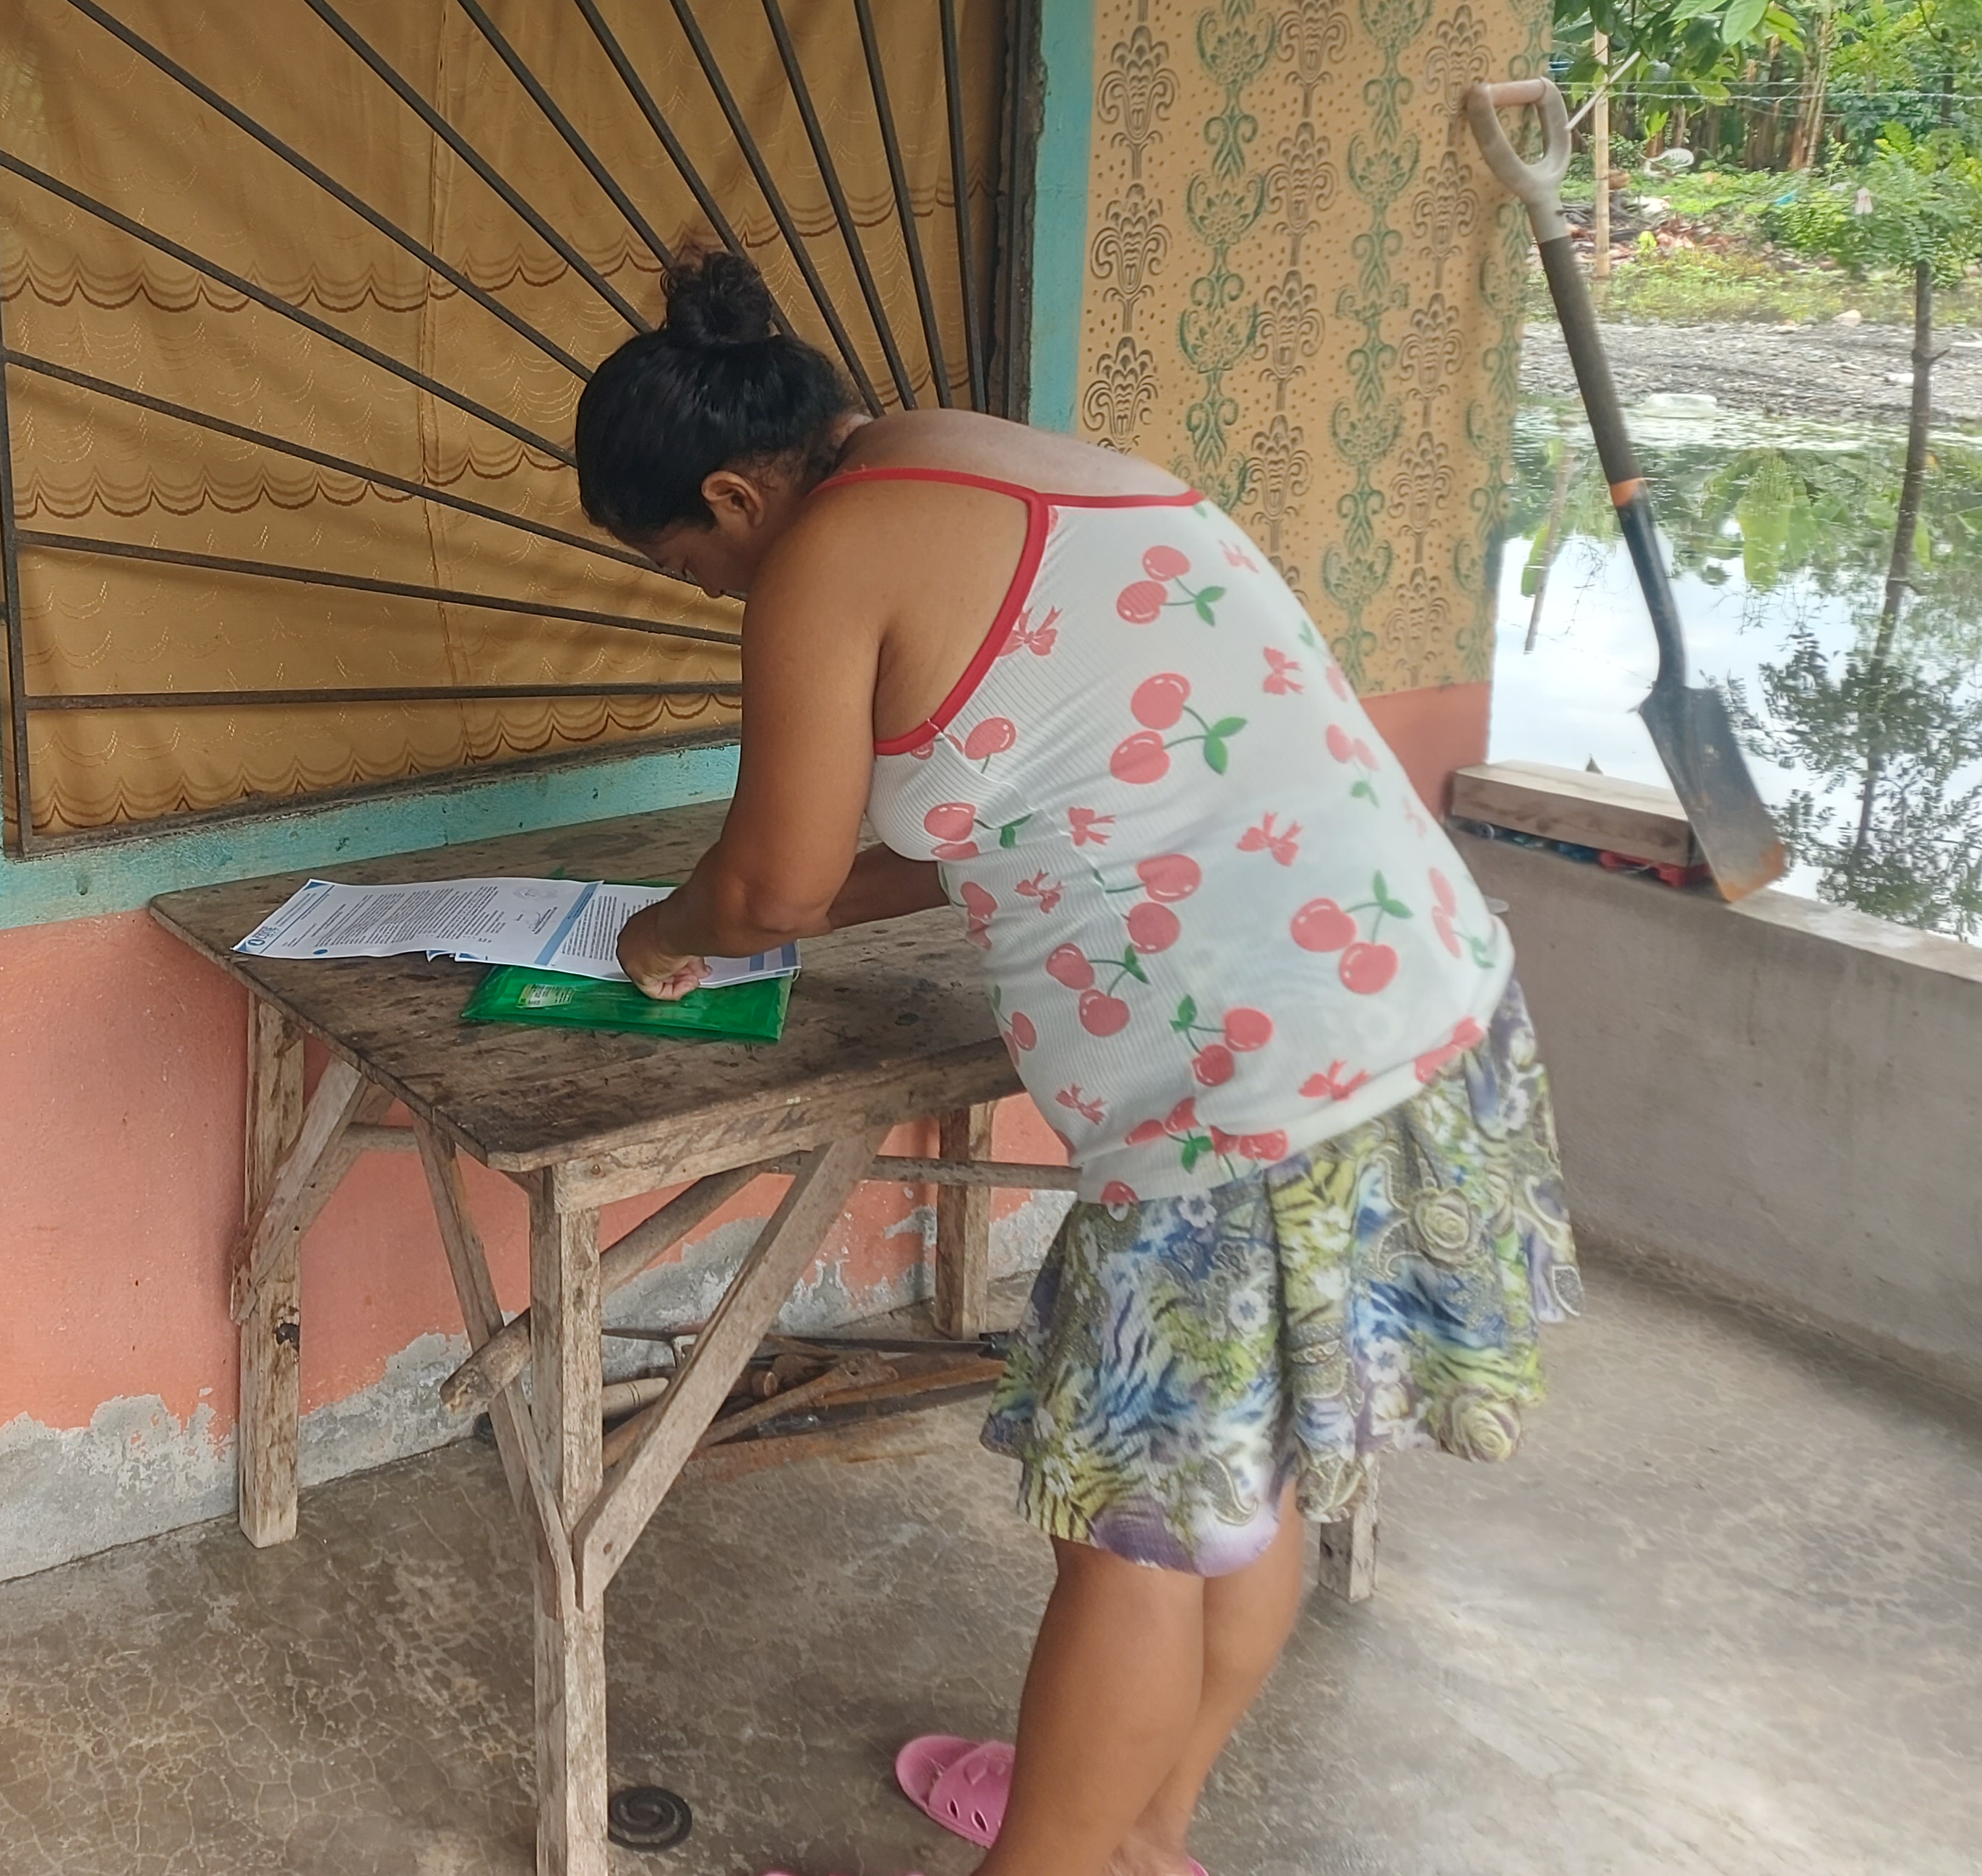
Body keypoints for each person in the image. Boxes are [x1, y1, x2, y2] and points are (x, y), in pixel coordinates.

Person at [578, 253, 1579, 1876]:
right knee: (1230, 1481)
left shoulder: (827, 550)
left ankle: (1057, 1851)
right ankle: (1140, 1830)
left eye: (691, 567)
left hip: (1240, 1101)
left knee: (1130, 1535)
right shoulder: (970, 455)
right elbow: (972, 811)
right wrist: (765, 902)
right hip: (1416, 1006)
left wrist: (660, 930)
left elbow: (773, 885)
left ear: (731, 497)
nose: (711, 598)